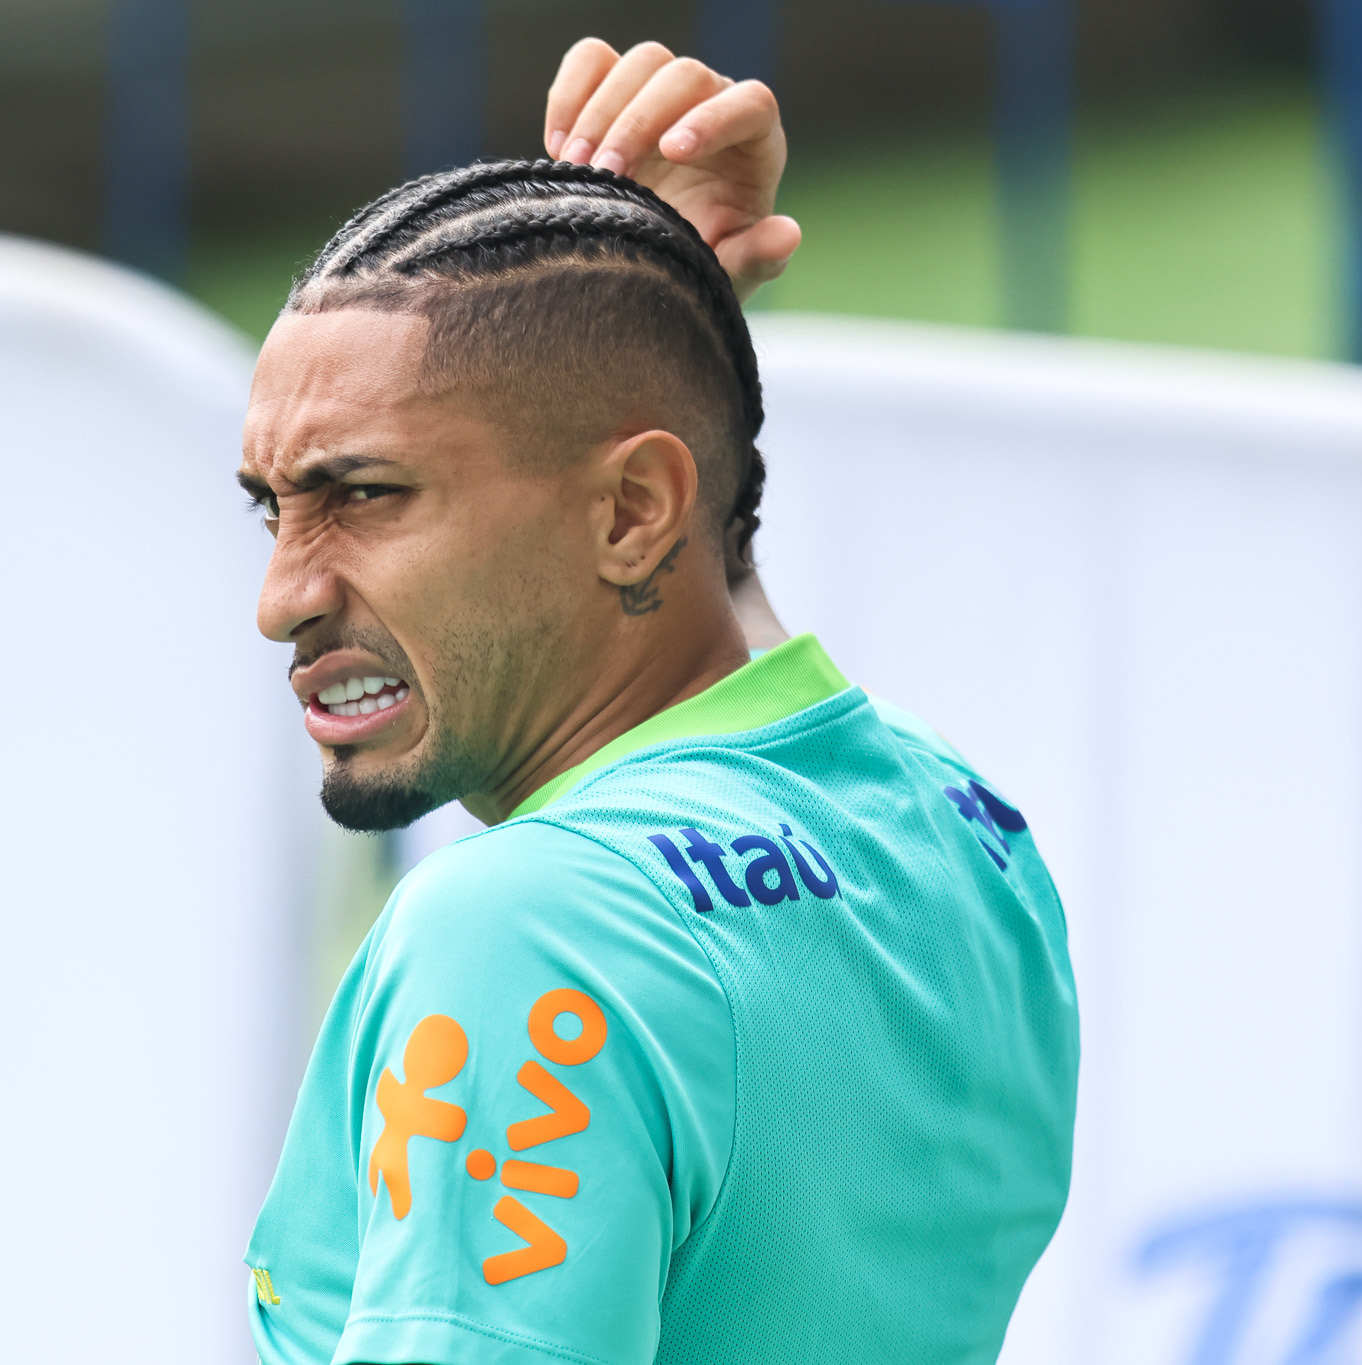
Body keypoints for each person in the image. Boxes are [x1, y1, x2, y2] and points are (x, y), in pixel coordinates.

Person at [239, 37, 1078, 1365]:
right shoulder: (966, 832)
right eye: (272, 509)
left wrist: (647, 352)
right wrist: (660, 331)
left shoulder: (523, 931)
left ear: (636, 508)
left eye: (367, 496)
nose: (284, 594)